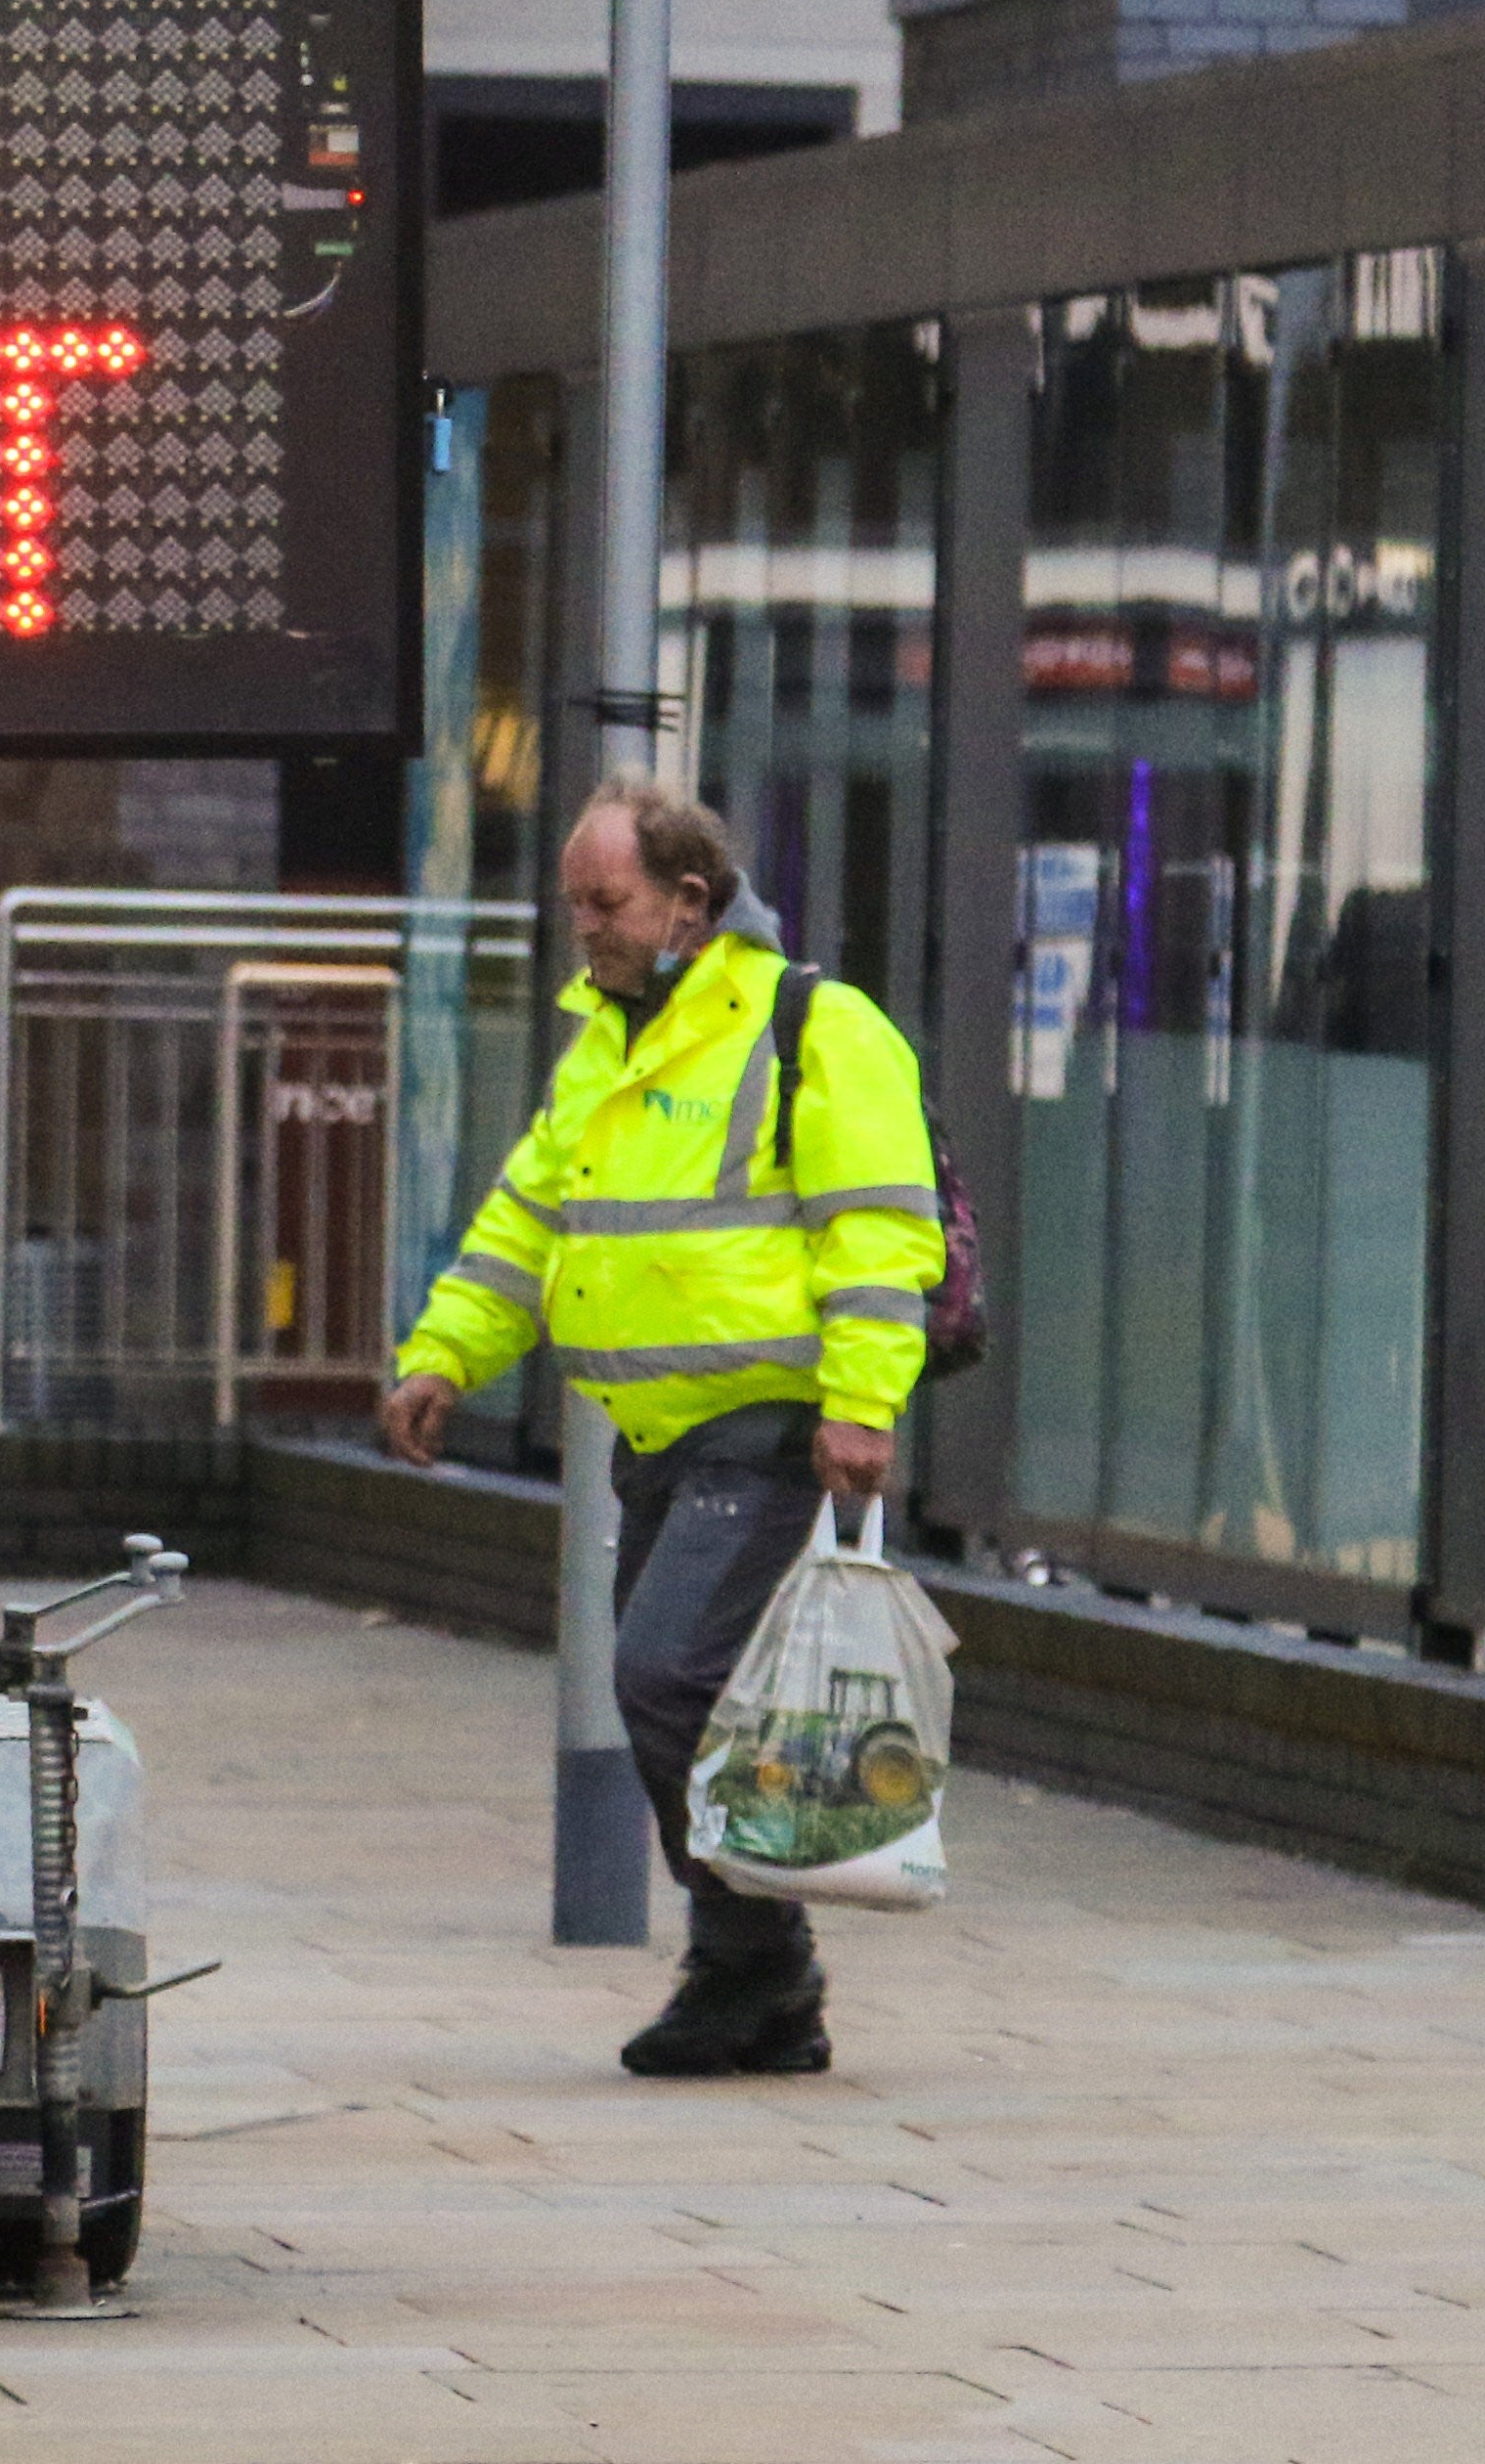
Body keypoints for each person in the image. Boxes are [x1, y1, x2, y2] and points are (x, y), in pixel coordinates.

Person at [379, 776, 940, 2080]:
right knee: (670, 1690)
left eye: (609, 900)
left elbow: (878, 1224)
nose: (588, 926)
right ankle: (757, 1978)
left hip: (767, 1420)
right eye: (576, 901)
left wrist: (862, 1400)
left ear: (691, 898)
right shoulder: (606, 1044)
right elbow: (528, 1219)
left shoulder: (813, 1022)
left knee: (661, 1673)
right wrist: (445, 1355)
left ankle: (754, 1961)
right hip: (656, 1432)